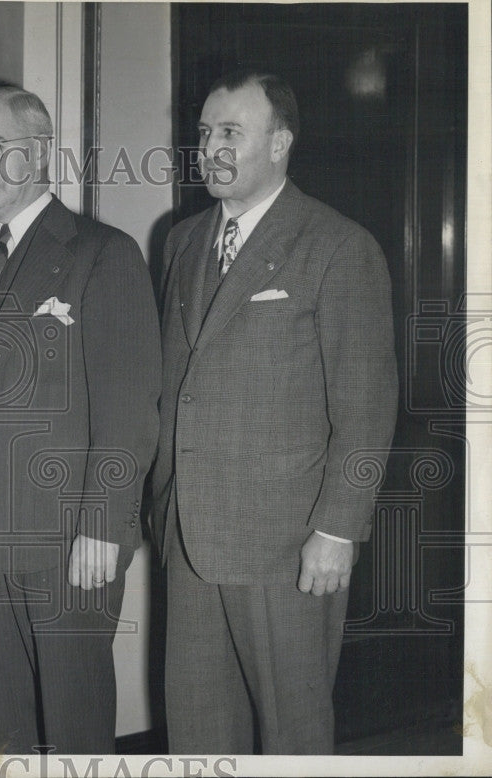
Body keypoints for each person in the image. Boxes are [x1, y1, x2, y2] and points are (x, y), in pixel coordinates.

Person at [152, 70, 398, 754]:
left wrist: (339, 530)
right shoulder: (181, 242)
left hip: (287, 544)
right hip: (191, 535)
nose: (211, 148)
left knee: (293, 737)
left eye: (231, 132)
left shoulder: (337, 247)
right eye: (204, 133)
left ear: (281, 143)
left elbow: (367, 405)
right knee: (199, 735)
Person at [0, 86, 162, 754]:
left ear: (41, 150)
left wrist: (103, 528)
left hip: (67, 541)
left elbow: (129, 409)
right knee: (0, 729)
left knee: (73, 728)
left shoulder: (102, 254)